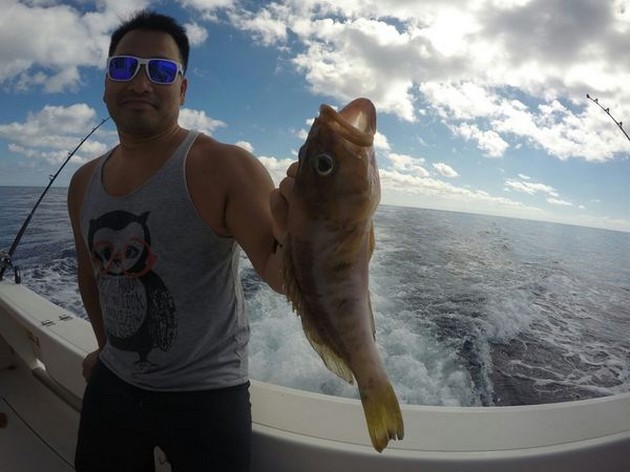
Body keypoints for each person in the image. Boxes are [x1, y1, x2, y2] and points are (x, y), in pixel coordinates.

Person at [68, 10, 289, 471]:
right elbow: (90, 275)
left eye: (161, 71)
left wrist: (327, 222)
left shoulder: (225, 167)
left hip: (207, 396)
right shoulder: (83, 182)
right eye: (124, 67)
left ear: (182, 89)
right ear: (106, 84)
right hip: (114, 383)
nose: (140, 83)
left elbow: (281, 274)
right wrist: (106, 348)